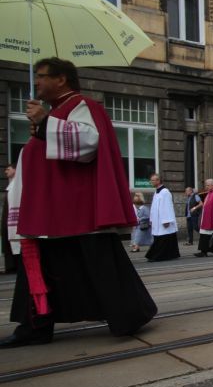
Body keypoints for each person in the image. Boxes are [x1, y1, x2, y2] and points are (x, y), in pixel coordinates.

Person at [0, 57, 156, 347]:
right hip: (50, 209)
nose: (37, 82)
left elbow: (87, 143)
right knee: (43, 267)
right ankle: (36, 325)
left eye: (43, 76)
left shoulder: (82, 106)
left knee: (99, 264)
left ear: (62, 79)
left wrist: (45, 122)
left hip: (77, 208)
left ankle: (129, 314)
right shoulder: (57, 111)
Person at [146, 173, 180, 261]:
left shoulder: (165, 192)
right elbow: (154, 207)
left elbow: (167, 207)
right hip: (157, 220)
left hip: (163, 221)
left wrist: (166, 220)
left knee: (164, 238)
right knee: (159, 238)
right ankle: (170, 254)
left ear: (159, 181)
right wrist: (152, 219)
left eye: (153, 180)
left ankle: (160, 256)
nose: (151, 182)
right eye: (151, 180)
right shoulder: (157, 192)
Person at [2, 162, 18, 273]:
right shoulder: (11, 185)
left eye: (8, 169)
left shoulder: (16, 185)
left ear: (15, 170)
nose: (6, 171)